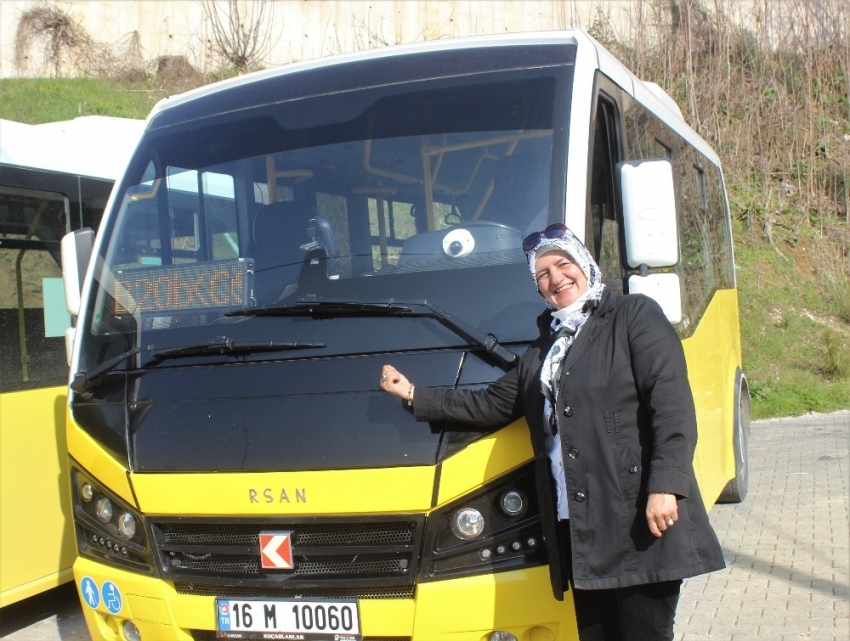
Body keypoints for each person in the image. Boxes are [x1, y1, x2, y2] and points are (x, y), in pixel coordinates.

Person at [380, 222, 725, 641]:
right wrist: (415, 394)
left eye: (563, 264)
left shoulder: (633, 315)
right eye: (543, 275)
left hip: (636, 518)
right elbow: (490, 403)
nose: (556, 278)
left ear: (585, 264)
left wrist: (665, 486)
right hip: (578, 526)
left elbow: (670, 406)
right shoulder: (543, 350)